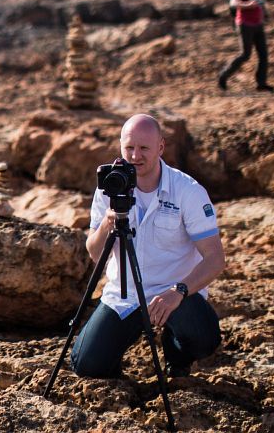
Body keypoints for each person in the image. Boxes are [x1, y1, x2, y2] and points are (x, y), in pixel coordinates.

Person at [71, 114, 226, 379]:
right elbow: (95, 253)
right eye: (129, 148)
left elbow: (215, 259)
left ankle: (177, 354)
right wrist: (108, 223)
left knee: (204, 339)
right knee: (87, 365)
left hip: (174, 294)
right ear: (120, 146)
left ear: (161, 147)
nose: (135, 156)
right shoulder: (109, 186)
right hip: (125, 295)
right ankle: (116, 359)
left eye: (144, 148)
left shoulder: (187, 190)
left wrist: (178, 292)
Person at [217, 0, 273, 92]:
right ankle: (223, 75)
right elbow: (234, 2)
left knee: (263, 54)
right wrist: (248, 5)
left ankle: (261, 83)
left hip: (258, 24)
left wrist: (264, 14)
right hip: (244, 24)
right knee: (245, 54)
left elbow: (262, 2)